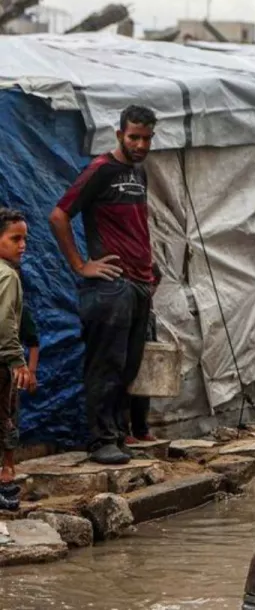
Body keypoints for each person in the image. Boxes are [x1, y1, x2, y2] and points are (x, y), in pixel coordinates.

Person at [49, 105, 161, 466]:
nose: (140, 144)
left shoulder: (137, 172)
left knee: (129, 367)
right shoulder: (101, 170)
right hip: (112, 286)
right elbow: (59, 215)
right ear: (119, 135)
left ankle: (117, 433)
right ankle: (100, 441)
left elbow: (135, 227)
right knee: (106, 365)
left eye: (146, 138)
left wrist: (150, 268)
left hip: (140, 283)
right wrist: (81, 265)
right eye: (134, 137)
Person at [0, 208, 37, 511]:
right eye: (15, 239)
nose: (22, 245)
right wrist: (17, 361)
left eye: (24, 239)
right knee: (5, 418)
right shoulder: (8, 276)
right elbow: (5, 324)